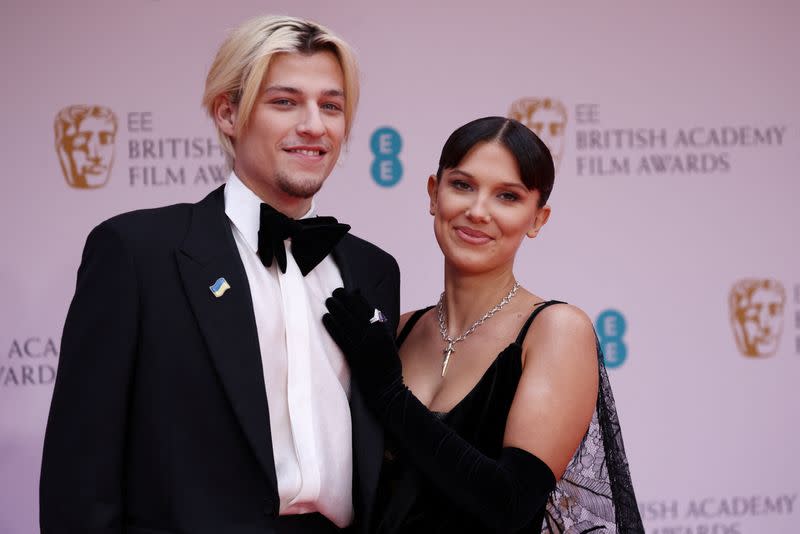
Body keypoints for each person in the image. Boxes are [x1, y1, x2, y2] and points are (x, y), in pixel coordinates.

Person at [40, 15, 399, 534]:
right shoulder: (139, 254)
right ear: (227, 114)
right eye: (285, 102)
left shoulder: (374, 270)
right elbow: (81, 475)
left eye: (331, 105)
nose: (314, 125)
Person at [322, 117, 644, 533]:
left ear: (537, 219)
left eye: (507, 196)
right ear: (433, 194)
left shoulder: (555, 331)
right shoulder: (396, 332)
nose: (477, 211)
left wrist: (388, 392)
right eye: (462, 185)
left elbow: (508, 502)